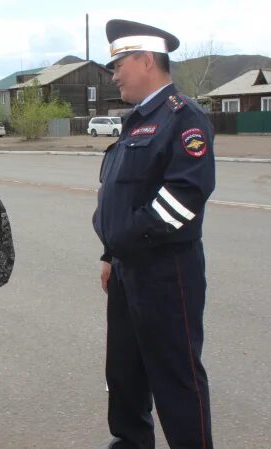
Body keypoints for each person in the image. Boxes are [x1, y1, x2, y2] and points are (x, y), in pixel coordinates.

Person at [92, 19, 216, 449]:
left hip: (167, 273)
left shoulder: (184, 118)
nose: (114, 74)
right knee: (125, 373)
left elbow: (185, 196)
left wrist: (129, 240)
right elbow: (123, 193)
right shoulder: (138, 121)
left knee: (175, 378)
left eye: (119, 63)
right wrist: (112, 254)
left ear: (147, 60)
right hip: (128, 269)